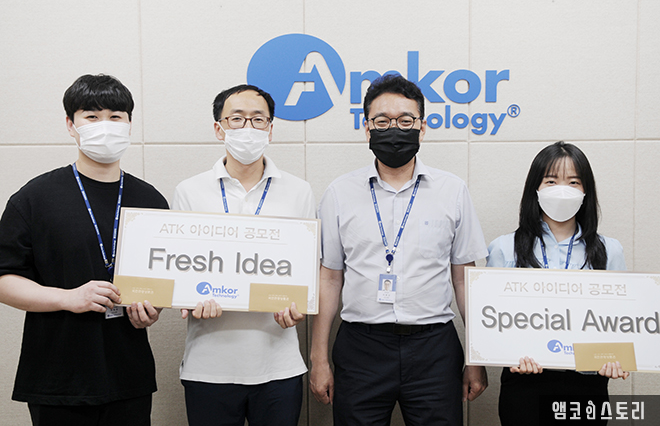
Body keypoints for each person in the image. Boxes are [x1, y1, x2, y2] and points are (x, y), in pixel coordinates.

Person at [310, 74, 489, 426]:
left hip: (434, 348)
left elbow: (465, 280)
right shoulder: (339, 193)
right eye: (382, 121)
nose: (394, 129)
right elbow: (329, 278)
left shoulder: (452, 191)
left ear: (422, 127)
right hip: (361, 348)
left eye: (406, 121)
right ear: (367, 128)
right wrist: (319, 358)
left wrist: (476, 355)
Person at [0, 74, 168, 426]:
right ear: (70, 125)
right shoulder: (34, 198)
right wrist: (67, 298)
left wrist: (152, 309)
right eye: (92, 116)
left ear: (129, 124)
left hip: (129, 376)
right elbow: (4, 279)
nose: (105, 125)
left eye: (115, 116)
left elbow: (162, 279)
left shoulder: (151, 200)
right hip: (57, 378)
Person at [172, 84, 315, 426]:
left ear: (270, 128)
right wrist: (188, 299)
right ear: (219, 128)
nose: (247, 127)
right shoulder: (189, 191)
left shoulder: (299, 191)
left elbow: (306, 272)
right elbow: (180, 270)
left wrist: (300, 309)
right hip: (208, 366)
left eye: (258, 119)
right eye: (236, 119)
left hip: (279, 365)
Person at [486, 141, 629, 426]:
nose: (562, 189)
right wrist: (507, 353)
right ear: (535, 189)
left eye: (573, 182)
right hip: (525, 382)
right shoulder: (504, 248)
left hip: (587, 384)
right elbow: (491, 321)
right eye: (551, 181)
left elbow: (620, 320)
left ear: (586, 191)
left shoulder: (610, 250)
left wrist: (617, 358)